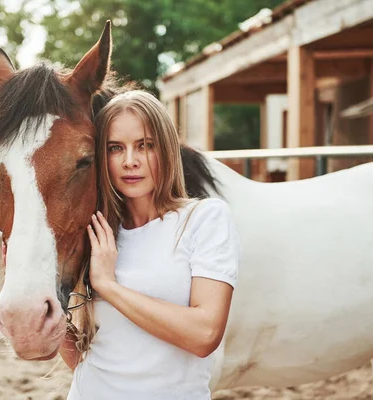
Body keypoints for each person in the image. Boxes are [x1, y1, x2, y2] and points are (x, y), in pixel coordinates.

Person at [62, 90, 241, 400]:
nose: (130, 161)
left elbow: (204, 334)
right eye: (115, 148)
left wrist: (109, 285)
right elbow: (83, 357)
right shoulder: (99, 232)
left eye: (145, 146)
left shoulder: (204, 219)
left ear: (167, 149)